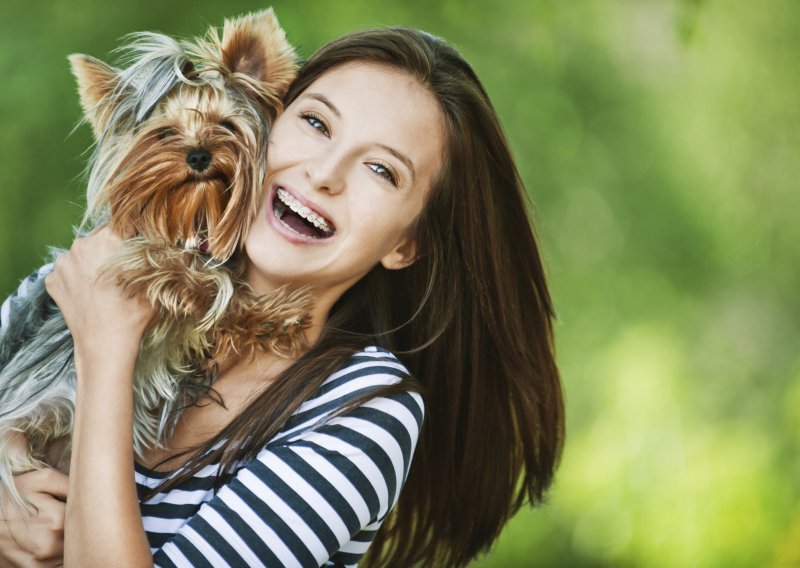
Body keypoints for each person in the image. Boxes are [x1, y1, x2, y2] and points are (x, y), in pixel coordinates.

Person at [0, 26, 564, 567]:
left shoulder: (366, 412)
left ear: (408, 245)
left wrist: (106, 351)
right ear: (268, 118)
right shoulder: (73, 284)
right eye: (317, 123)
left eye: (380, 169)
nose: (324, 173)